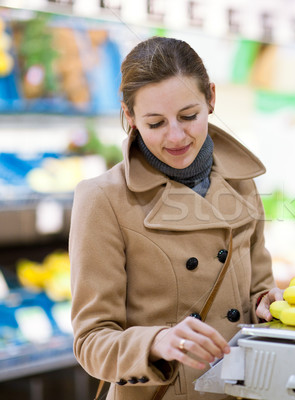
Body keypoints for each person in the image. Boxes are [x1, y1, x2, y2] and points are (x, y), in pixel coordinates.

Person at [69, 36, 283, 400]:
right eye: (155, 123)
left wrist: (269, 304)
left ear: (211, 98)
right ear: (130, 116)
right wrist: (157, 341)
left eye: (189, 116)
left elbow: (259, 292)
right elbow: (91, 340)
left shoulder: (241, 181)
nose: (177, 136)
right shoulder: (102, 198)